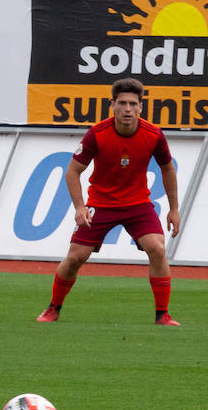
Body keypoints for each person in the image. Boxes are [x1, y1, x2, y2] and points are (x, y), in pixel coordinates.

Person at [38, 77, 182, 326]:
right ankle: (53, 308)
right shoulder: (97, 134)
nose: (128, 109)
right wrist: (80, 207)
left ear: (141, 107)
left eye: (133, 104)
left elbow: (168, 169)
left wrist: (174, 209)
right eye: (122, 103)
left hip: (138, 204)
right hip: (101, 203)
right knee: (75, 258)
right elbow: (73, 171)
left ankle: (163, 314)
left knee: (158, 248)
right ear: (112, 105)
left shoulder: (154, 135)